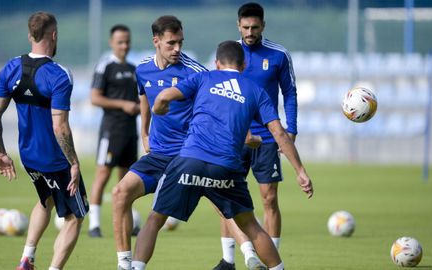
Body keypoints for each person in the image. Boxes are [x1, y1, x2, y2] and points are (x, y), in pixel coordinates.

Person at [131, 40, 313, 270]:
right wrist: (300, 172)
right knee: (250, 225)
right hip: (225, 167)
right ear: (244, 65)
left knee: (155, 219)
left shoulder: (204, 78)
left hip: (190, 161)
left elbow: (164, 96)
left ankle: (135, 267)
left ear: (217, 64)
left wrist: (158, 108)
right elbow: (279, 133)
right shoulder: (256, 91)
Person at [0, 11, 88, 270]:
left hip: (28, 156)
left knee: (46, 200)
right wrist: (74, 163)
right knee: (76, 216)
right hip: (55, 159)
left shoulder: (10, 68)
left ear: (30, 35)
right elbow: (60, 126)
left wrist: (1, 153)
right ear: (53, 35)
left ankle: (26, 260)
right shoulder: (59, 75)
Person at [111, 15, 207, 270]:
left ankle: (247, 255)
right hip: (159, 155)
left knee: (227, 208)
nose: (177, 49)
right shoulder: (142, 69)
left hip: (188, 156)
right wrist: (144, 132)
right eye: (171, 43)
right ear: (156, 41)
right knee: (120, 194)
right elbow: (144, 98)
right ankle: (124, 264)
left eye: (180, 43)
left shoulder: (195, 72)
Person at [214, 3, 299, 269]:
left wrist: (291, 129)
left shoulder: (278, 55)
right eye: (246, 27)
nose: (250, 32)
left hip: (267, 138)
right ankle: (228, 261)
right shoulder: (229, 55)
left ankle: (272, 257)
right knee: (226, 195)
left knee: (269, 198)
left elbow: (290, 93)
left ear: (263, 26)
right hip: (234, 137)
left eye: (255, 27)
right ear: (238, 25)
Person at [88, 24, 140, 238]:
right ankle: (94, 224)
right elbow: (95, 98)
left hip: (130, 131)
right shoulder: (105, 66)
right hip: (111, 130)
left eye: (127, 41)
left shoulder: (133, 68)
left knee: (126, 180)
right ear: (111, 43)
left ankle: (126, 222)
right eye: (120, 42)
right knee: (103, 174)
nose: (124, 45)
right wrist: (123, 105)